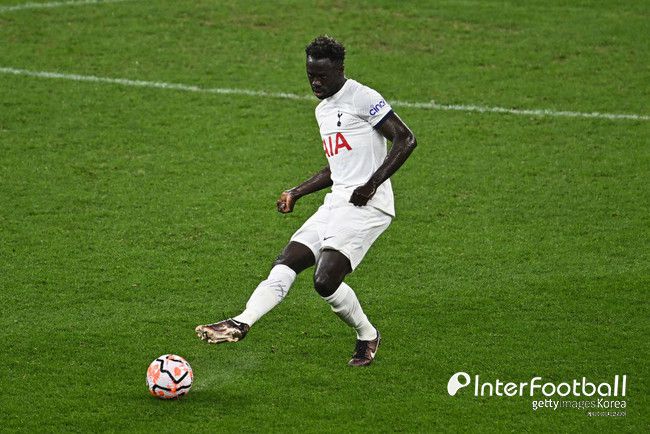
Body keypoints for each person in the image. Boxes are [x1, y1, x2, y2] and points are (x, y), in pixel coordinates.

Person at [196, 35, 417, 366]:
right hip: (338, 200)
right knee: (287, 260)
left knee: (325, 281)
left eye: (322, 76)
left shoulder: (362, 97)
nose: (315, 82)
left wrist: (372, 184)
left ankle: (367, 335)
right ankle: (241, 322)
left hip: (368, 206)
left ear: (339, 70)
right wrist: (297, 191)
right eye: (310, 75)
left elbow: (406, 138)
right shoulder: (323, 110)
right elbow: (337, 167)